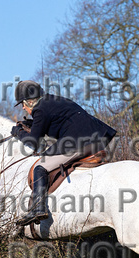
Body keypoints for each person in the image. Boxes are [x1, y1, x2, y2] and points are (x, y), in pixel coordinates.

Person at [11, 80, 117, 226]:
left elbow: (34, 142)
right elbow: (53, 123)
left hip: (78, 142)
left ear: (30, 101)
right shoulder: (54, 100)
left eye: (22, 103)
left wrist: (18, 132)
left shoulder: (40, 109)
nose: (22, 107)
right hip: (97, 136)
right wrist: (32, 124)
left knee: (40, 167)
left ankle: (38, 208)